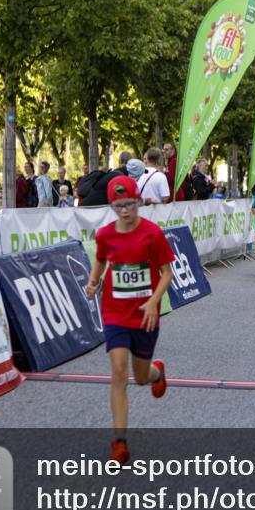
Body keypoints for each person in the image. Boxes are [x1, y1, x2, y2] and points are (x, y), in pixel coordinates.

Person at [84, 175, 175, 462]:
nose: (125, 211)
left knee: (139, 378)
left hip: (145, 315)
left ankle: (156, 372)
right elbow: (101, 258)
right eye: (118, 206)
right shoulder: (105, 235)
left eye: (130, 204)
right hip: (114, 312)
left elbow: (167, 273)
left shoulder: (152, 233)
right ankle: (120, 443)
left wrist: (152, 301)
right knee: (119, 371)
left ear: (138, 202)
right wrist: (93, 280)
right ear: (112, 206)